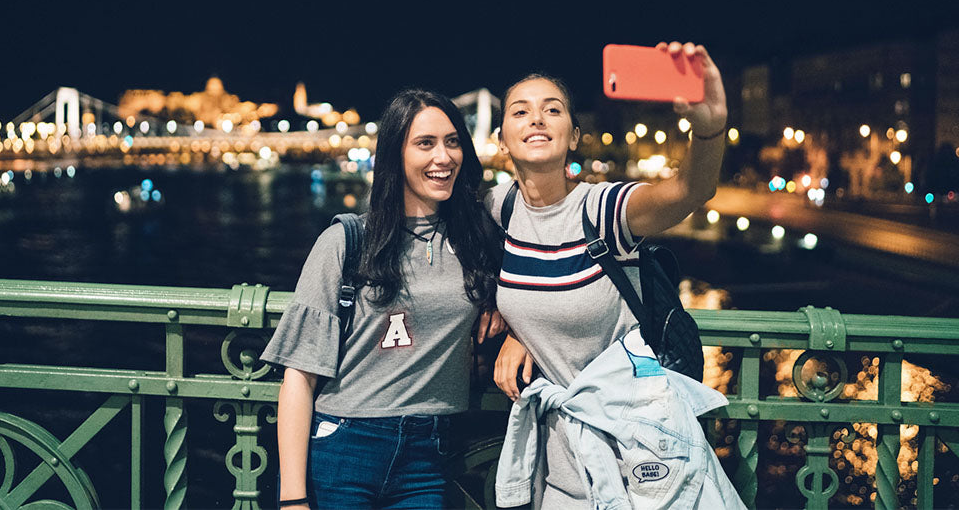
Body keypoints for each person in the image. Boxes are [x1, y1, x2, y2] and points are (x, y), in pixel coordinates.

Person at [488, 42, 745, 508]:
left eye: (553, 110)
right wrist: (515, 325)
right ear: (503, 138)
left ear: (573, 135)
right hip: (561, 470)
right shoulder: (499, 208)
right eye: (520, 112)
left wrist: (708, 131)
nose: (537, 119)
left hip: (643, 463)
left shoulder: (602, 208)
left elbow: (690, 190)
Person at [261, 88, 505, 509]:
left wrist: (509, 313)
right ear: (394, 154)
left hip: (429, 456)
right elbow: (299, 380)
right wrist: (292, 499)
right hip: (344, 448)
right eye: (425, 144)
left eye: (452, 141)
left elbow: (546, 258)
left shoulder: (476, 239)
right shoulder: (346, 241)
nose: (443, 157)